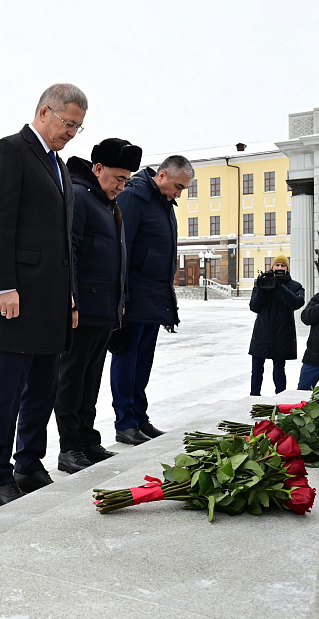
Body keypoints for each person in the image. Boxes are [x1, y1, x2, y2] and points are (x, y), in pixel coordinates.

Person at [0, 83, 85, 506]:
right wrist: (4, 285)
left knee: (43, 387)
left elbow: (64, 240)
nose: (71, 133)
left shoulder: (58, 166)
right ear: (44, 112)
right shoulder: (10, 151)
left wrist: (70, 295)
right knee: (7, 392)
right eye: (68, 123)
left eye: (77, 127)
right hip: (17, 298)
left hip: (52, 300)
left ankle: (29, 462)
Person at [54, 139, 141, 474]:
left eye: (126, 181)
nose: (121, 186)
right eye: (118, 178)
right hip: (84, 308)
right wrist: (72, 299)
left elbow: (116, 258)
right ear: (98, 169)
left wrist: (121, 300)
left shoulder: (107, 203)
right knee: (72, 379)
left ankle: (88, 440)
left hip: (104, 307)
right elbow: (70, 252)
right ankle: (69, 447)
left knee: (91, 379)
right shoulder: (79, 197)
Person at [110, 156, 194, 446]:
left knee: (143, 362)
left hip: (155, 295)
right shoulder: (134, 197)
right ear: (162, 176)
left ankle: (139, 417)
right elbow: (122, 248)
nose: (179, 194)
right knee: (127, 359)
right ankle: (125, 423)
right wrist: (122, 296)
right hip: (134, 296)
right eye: (178, 186)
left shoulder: (163, 203)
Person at [248, 255, 305, 395]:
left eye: (283, 266)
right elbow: (254, 307)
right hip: (262, 333)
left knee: (279, 370)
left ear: (287, 269)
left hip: (282, 333)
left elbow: (296, 303)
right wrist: (263, 288)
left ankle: (281, 397)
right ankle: (254, 397)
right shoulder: (261, 283)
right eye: (277, 265)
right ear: (272, 267)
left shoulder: (295, 286)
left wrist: (279, 287)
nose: (279, 268)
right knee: (256, 370)